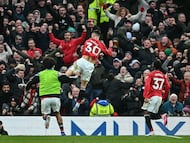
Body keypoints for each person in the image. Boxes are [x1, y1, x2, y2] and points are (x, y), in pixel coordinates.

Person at [65, 29, 112, 111]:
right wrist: (110, 46)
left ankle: (63, 82)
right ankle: (78, 103)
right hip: (90, 65)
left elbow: (83, 51)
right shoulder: (101, 44)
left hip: (82, 60)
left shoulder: (88, 40)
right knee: (83, 87)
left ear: (93, 35)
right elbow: (109, 53)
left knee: (67, 73)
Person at [25, 57, 70, 136]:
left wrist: (27, 88)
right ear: (53, 65)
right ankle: (62, 131)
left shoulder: (40, 74)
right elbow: (66, 79)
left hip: (45, 98)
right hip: (55, 97)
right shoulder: (57, 73)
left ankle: (46, 117)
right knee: (57, 113)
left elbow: (31, 82)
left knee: (44, 114)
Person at [141, 60, 170, 136]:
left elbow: (147, 85)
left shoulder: (151, 74)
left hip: (152, 96)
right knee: (151, 113)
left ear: (154, 66)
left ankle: (152, 130)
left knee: (146, 113)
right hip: (159, 96)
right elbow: (168, 86)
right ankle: (160, 117)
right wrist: (164, 97)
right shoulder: (163, 75)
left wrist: (146, 96)